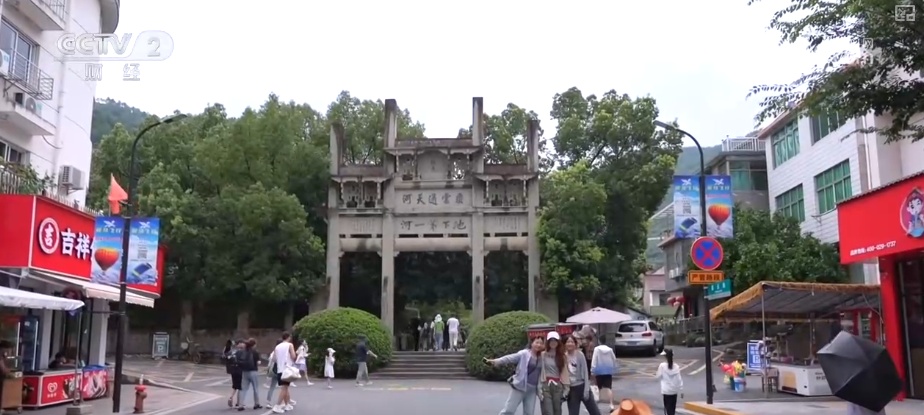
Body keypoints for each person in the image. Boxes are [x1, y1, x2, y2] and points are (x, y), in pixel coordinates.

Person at [487, 336, 544, 415]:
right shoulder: (524, 354)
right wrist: (497, 361)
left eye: (541, 343)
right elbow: (510, 358)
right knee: (509, 410)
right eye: (537, 342)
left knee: (529, 413)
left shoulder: (542, 357)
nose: (539, 345)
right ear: (531, 343)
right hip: (520, 386)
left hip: (532, 389)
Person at [564, 335, 600, 415]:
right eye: (568, 342)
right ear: (564, 344)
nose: (570, 344)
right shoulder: (563, 357)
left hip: (582, 385)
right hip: (571, 389)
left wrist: (586, 389)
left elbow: (585, 372)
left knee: (595, 412)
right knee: (573, 413)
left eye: (572, 342)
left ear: (575, 344)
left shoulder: (580, 355)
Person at [539, 331, 569, 415]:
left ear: (558, 342)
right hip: (546, 385)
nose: (553, 342)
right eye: (551, 340)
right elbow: (540, 371)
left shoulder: (562, 356)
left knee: (557, 411)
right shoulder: (543, 355)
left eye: (555, 340)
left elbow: (565, 372)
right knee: (548, 411)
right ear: (548, 342)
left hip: (557, 386)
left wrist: (566, 388)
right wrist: (539, 388)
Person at [271, 332, 297, 414]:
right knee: (284, 388)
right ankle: (277, 405)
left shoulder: (277, 346)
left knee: (285, 387)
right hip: (287, 369)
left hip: (280, 369)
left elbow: (274, 359)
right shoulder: (290, 345)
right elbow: (293, 356)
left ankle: (287, 404)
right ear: (288, 337)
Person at [591, 340, 618, 412]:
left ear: (599, 341)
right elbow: (614, 359)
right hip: (608, 371)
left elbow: (594, 360)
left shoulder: (597, 349)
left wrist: (592, 370)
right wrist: (614, 367)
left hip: (599, 371)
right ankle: (611, 405)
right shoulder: (610, 349)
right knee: (609, 388)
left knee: (597, 389)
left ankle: (596, 405)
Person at [237, 338, 263, 410]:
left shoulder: (243, 351)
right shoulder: (255, 352)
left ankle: (240, 405)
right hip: (253, 371)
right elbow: (258, 362)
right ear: (254, 345)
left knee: (243, 389)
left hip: (244, 371)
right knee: (255, 388)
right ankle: (256, 403)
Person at [656, 349, 683, 415]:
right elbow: (679, 379)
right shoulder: (676, 366)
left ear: (665, 356)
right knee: (672, 409)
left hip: (666, 390)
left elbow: (658, 376)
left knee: (667, 408)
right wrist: (681, 390)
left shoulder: (662, 366)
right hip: (674, 390)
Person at [225, 340, 244, 409]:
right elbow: (243, 361)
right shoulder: (240, 352)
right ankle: (238, 403)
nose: (243, 345)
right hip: (239, 370)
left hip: (232, 370)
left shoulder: (230, 352)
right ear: (238, 344)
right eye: (242, 343)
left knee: (235, 386)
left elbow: (226, 358)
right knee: (240, 386)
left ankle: (231, 397)